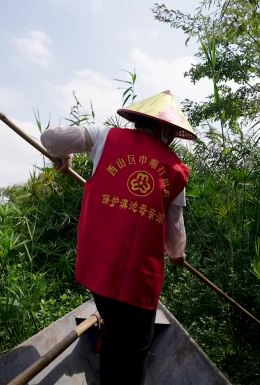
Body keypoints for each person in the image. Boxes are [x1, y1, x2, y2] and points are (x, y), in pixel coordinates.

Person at [40, 90, 197, 385]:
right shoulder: (177, 170)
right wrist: (178, 255)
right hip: (138, 283)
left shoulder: (103, 136)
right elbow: (175, 230)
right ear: (166, 130)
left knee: (114, 322)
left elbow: (51, 138)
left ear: (138, 121)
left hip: (97, 268)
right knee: (134, 351)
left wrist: (65, 157)